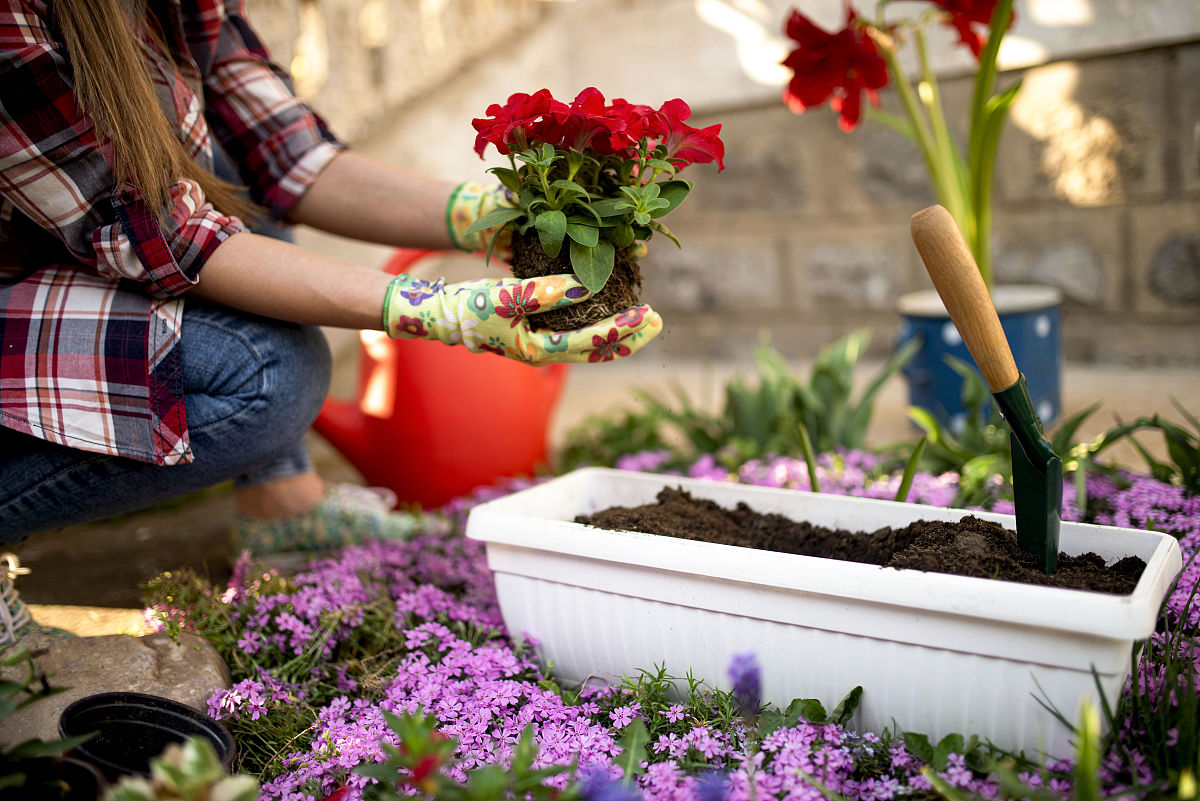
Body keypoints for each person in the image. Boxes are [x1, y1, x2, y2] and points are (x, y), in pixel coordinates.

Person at [0, 0, 663, 565]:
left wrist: (501, 214)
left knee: (227, 169)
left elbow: (288, 156)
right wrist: (435, 309)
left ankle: (283, 505)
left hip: (91, 253)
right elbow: (168, 237)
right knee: (272, 372)